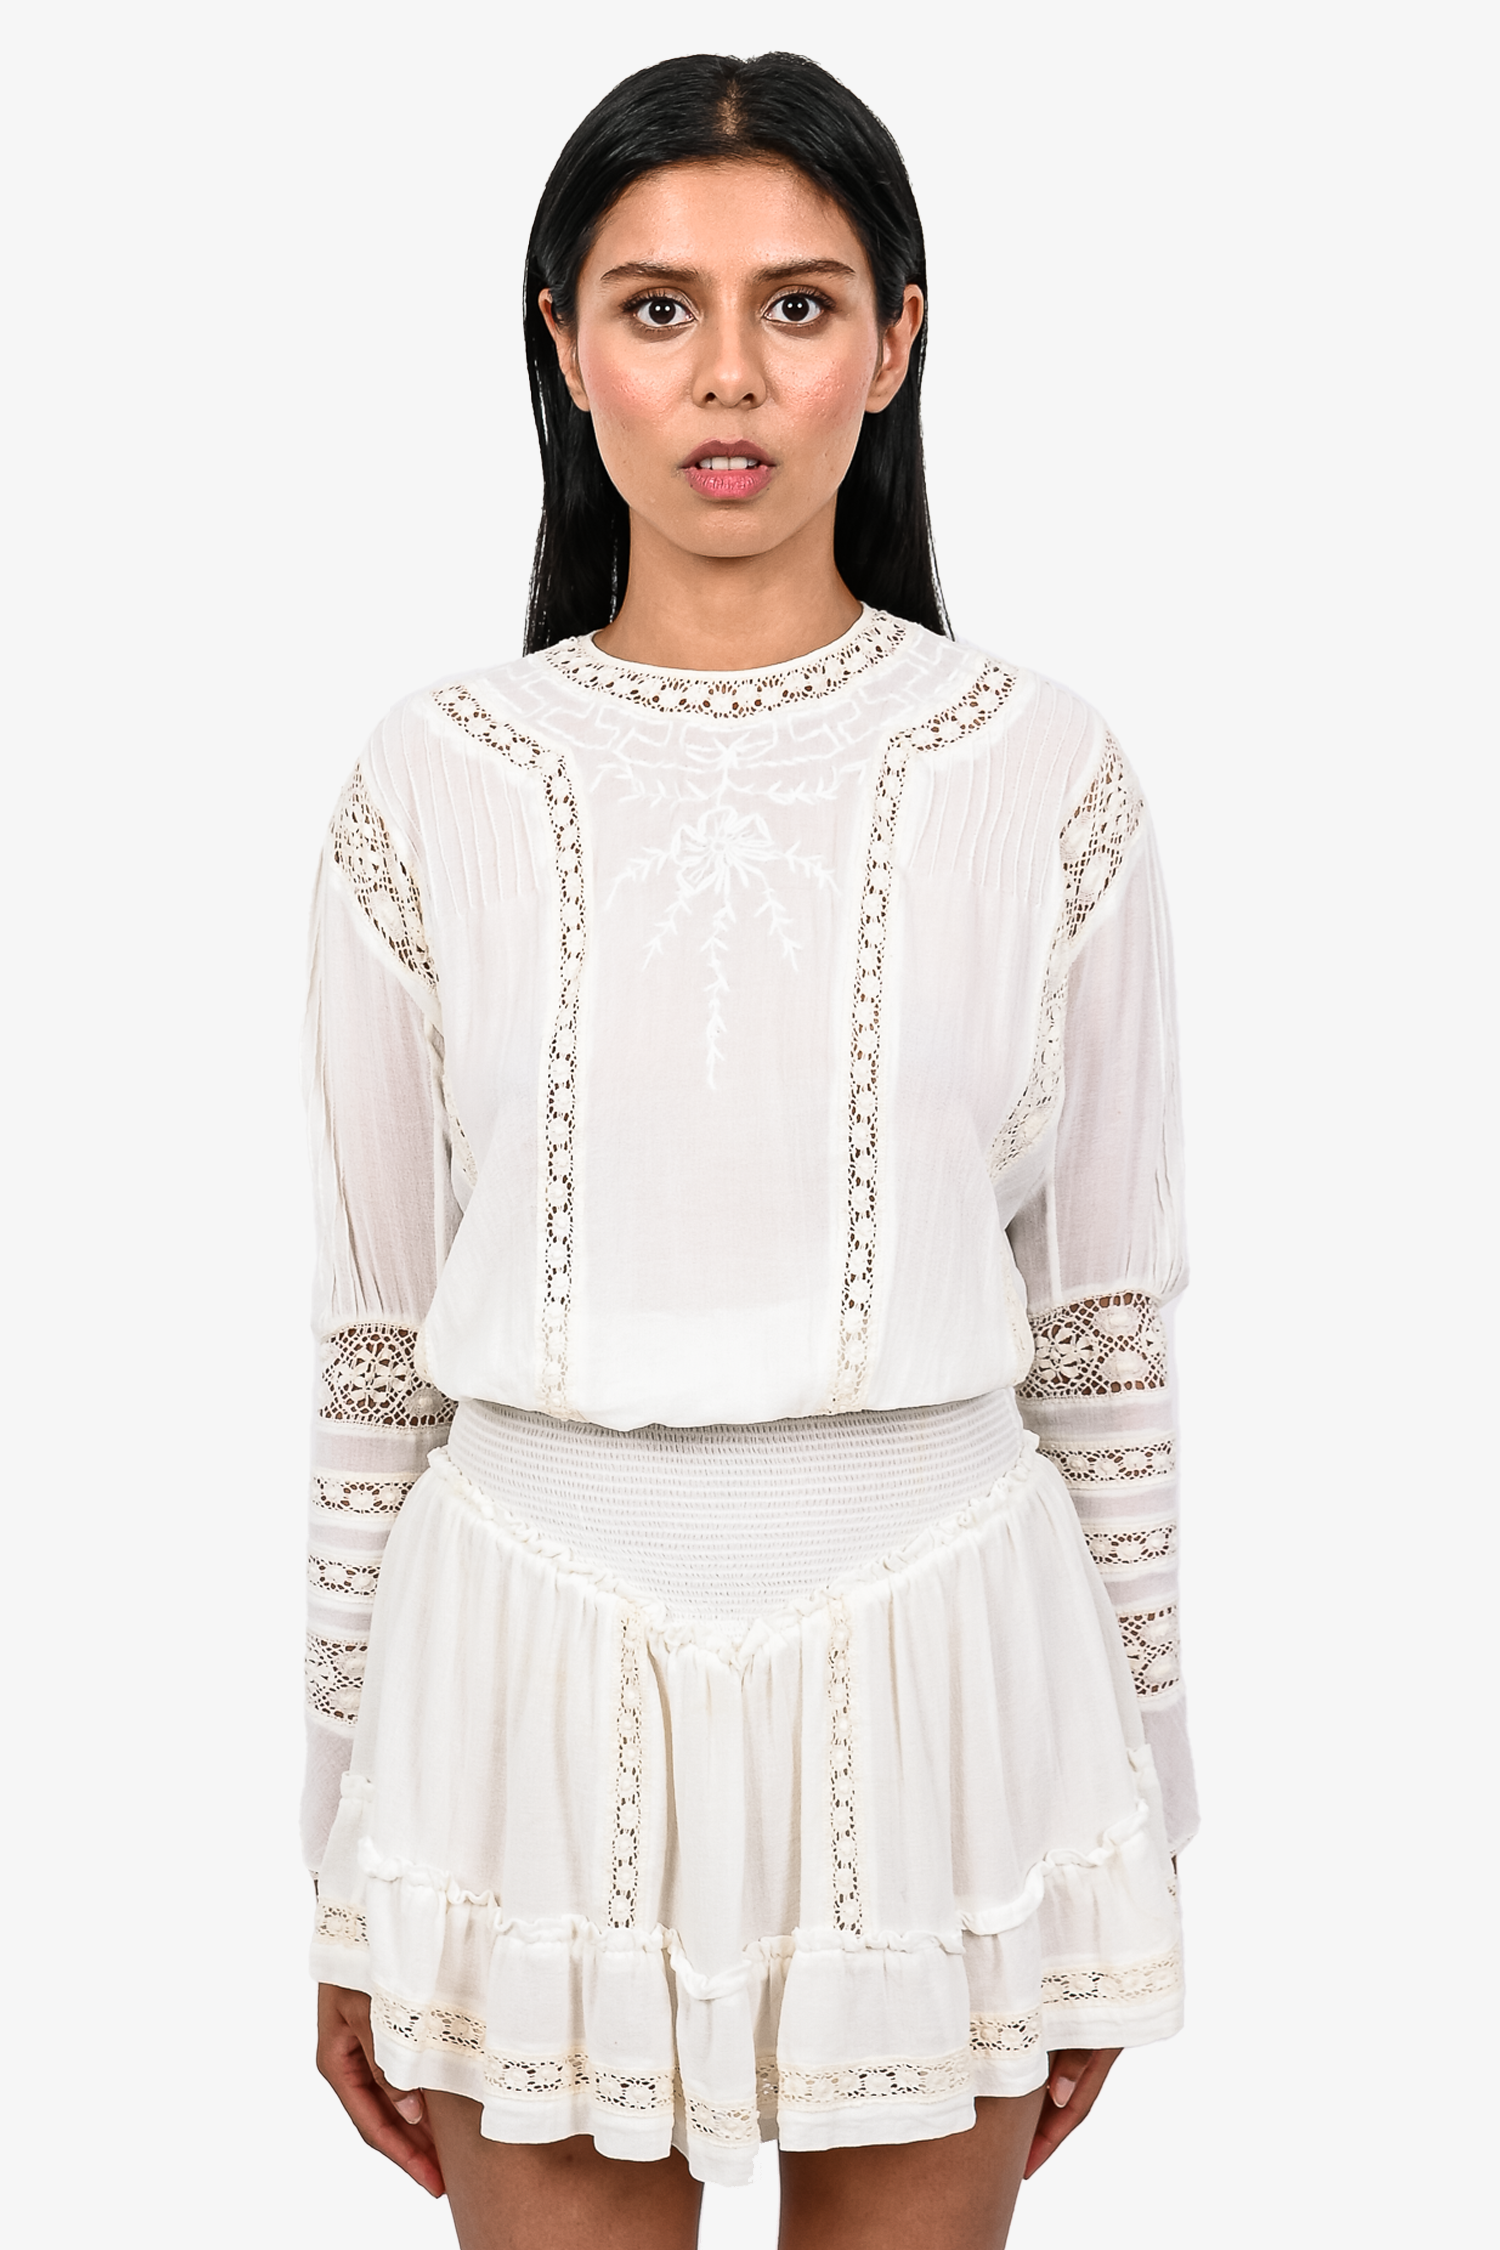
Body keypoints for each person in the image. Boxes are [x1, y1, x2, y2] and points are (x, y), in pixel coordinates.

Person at [303, 50, 1196, 2250]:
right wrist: (341, 1850)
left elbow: (1104, 1335)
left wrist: (1132, 1832)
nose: (729, 376)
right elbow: (374, 1348)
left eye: (800, 305)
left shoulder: (1044, 774)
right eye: (657, 306)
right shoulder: (432, 782)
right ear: (562, 343)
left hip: (947, 1677)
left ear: (895, 343)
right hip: (520, 1682)